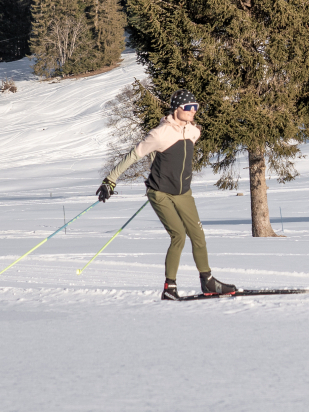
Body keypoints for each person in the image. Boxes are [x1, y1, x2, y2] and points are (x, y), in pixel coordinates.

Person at [99, 98, 237, 300]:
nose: (193, 111)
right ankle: (169, 288)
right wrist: (110, 180)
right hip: (160, 193)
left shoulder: (192, 131)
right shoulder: (159, 133)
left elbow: (188, 139)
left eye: (196, 107)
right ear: (177, 108)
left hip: (183, 193)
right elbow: (133, 155)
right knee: (178, 235)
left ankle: (208, 281)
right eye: (190, 107)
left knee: (198, 235)